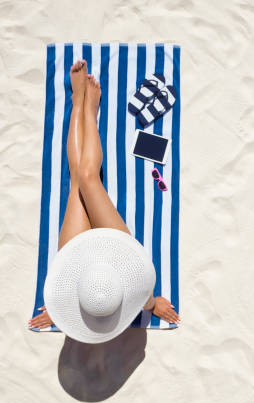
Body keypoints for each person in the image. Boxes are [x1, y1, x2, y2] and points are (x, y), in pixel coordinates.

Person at [29, 60, 180, 330]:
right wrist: (155, 303)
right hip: (116, 250)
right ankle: (89, 112)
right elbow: (150, 302)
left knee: (79, 181)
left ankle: (79, 103)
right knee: (88, 178)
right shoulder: (139, 292)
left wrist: (57, 311)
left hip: (78, 263)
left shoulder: (81, 295)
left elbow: (59, 298)